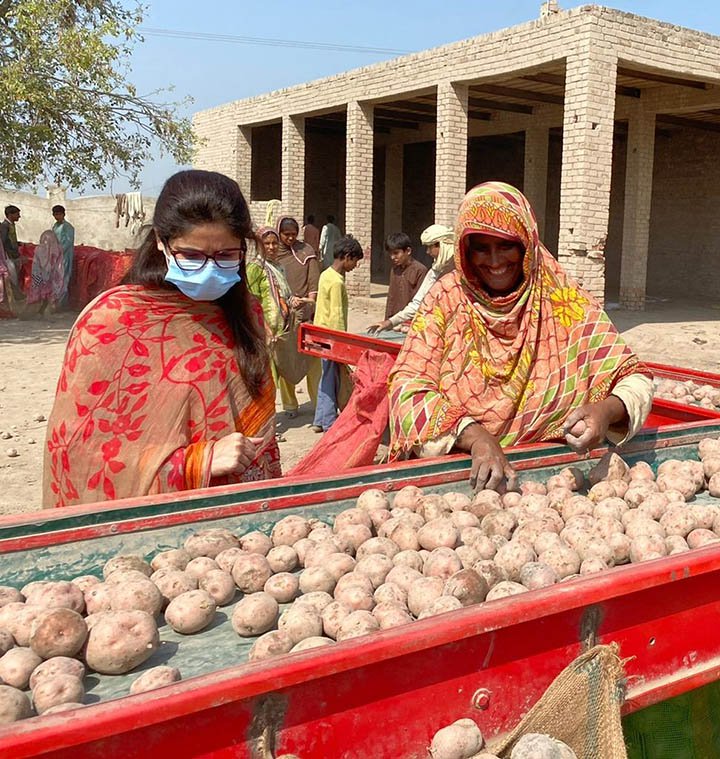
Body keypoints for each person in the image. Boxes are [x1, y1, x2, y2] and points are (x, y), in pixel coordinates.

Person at [388, 182, 653, 492]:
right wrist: (477, 438)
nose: (495, 261)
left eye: (506, 245)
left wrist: (605, 412)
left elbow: (634, 378)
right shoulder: (446, 299)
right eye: (481, 248)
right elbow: (406, 392)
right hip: (461, 478)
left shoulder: (562, 300)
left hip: (550, 483)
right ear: (464, 251)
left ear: (527, 243)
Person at [43, 170, 281, 508]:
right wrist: (197, 462)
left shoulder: (247, 314)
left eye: (227, 255)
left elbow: (258, 429)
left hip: (240, 518)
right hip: (154, 531)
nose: (211, 269)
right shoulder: (113, 323)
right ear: (160, 241)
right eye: (192, 256)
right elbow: (79, 455)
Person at [247, 227, 307, 414]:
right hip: (265, 333)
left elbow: (282, 294)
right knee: (267, 379)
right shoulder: (255, 268)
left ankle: (276, 417)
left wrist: (292, 300)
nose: (271, 247)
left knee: (281, 373)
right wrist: (265, 328)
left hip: (281, 330)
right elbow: (252, 302)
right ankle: (269, 423)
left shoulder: (278, 267)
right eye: (267, 243)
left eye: (274, 243)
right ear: (259, 245)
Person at [311, 235, 364, 433]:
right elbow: (336, 314)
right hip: (331, 337)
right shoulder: (336, 283)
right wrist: (342, 343)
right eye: (355, 262)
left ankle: (320, 418)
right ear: (347, 257)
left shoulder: (326, 274)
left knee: (327, 376)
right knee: (331, 377)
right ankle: (328, 422)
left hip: (321, 334)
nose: (355, 266)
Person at [369, 224, 455, 333]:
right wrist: (390, 322)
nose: (428, 252)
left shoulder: (462, 269)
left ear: (440, 245)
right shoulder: (435, 272)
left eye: (430, 247)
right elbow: (418, 303)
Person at [276, 216, 322, 417]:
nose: (290, 239)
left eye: (294, 235)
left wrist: (309, 301)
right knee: (286, 362)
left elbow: (314, 282)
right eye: (286, 235)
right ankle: (290, 405)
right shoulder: (273, 254)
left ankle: (319, 404)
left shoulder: (306, 251)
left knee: (313, 363)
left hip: (306, 315)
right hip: (284, 316)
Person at [383, 232, 427, 322]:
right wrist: (387, 320)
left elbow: (420, 301)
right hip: (394, 320)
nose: (392, 257)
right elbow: (391, 297)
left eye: (396, 253)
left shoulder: (420, 270)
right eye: (390, 254)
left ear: (408, 251)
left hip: (411, 321)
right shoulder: (395, 270)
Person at [26, 230, 64, 317]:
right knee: (45, 293)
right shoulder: (57, 249)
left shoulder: (40, 249)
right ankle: (37, 311)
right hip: (46, 275)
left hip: (40, 275)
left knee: (38, 292)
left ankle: (35, 312)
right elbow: (58, 265)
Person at [52, 204, 75, 307]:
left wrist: (59, 251)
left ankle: (61, 304)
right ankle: (56, 301)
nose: (57, 216)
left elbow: (68, 242)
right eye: (55, 214)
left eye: (59, 214)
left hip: (64, 257)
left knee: (63, 279)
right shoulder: (55, 226)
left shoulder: (68, 227)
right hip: (55, 256)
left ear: (63, 214)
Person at [0, 205, 23, 297]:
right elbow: (4, 242)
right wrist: (9, 254)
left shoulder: (11, 225)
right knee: (12, 276)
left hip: (13, 255)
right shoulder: (5, 226)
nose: (19, 216)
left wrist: (17, 244)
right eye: (17, 214)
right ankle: (15, 295)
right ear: (10, 214)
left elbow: (10, 240)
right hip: (8, 256)